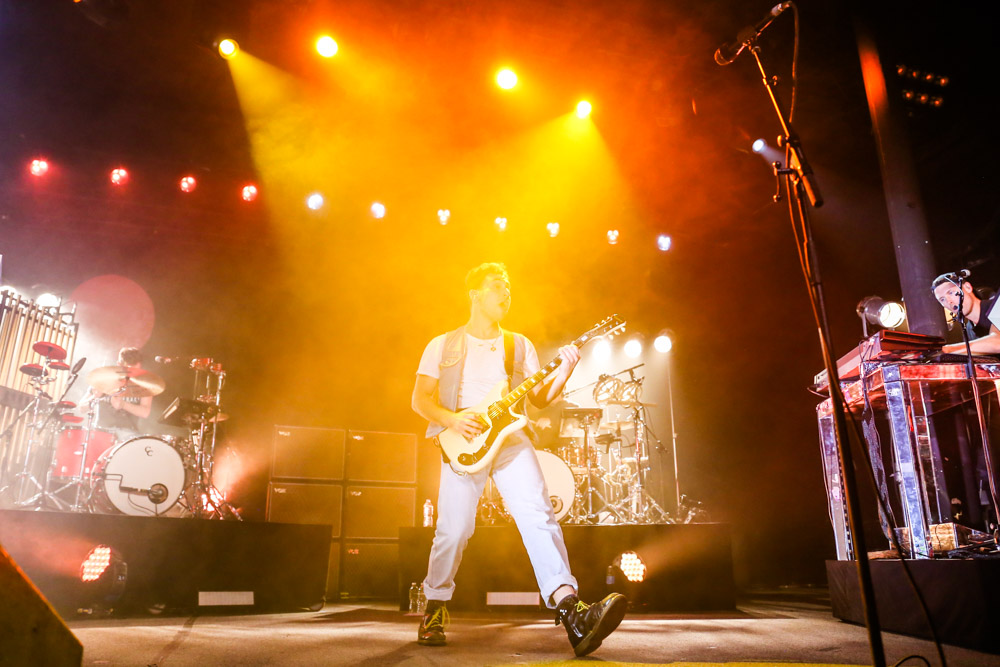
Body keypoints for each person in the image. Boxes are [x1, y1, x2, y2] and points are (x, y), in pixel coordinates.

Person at [411, 262, 627, 657]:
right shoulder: (442, 345)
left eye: (509, 287)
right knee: (454, 530)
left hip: (510, 441)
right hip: (463, 442)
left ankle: (571, 610)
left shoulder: (518, 345)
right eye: (497, 286)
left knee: (538, 516)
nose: (506, 293)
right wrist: (453, 419)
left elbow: (539, 398)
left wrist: (566, 368)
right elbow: (419, 399)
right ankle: (435, 606)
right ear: (475, 295)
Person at [931, 272, 1000, 354]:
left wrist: (949, 349)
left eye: (951, 293)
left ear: (968, 287)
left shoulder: (997, 305)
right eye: (942, 299)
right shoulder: (968, 330)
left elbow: (998, 343)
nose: (949, 301)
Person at [93, 347, 152, 435]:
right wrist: (94, 398)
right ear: (119, 364)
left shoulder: (144, 385)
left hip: (128, 434)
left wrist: (123, 405)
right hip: (100, 432)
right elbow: (82, 407)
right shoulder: (104, 379)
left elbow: (145, 412)